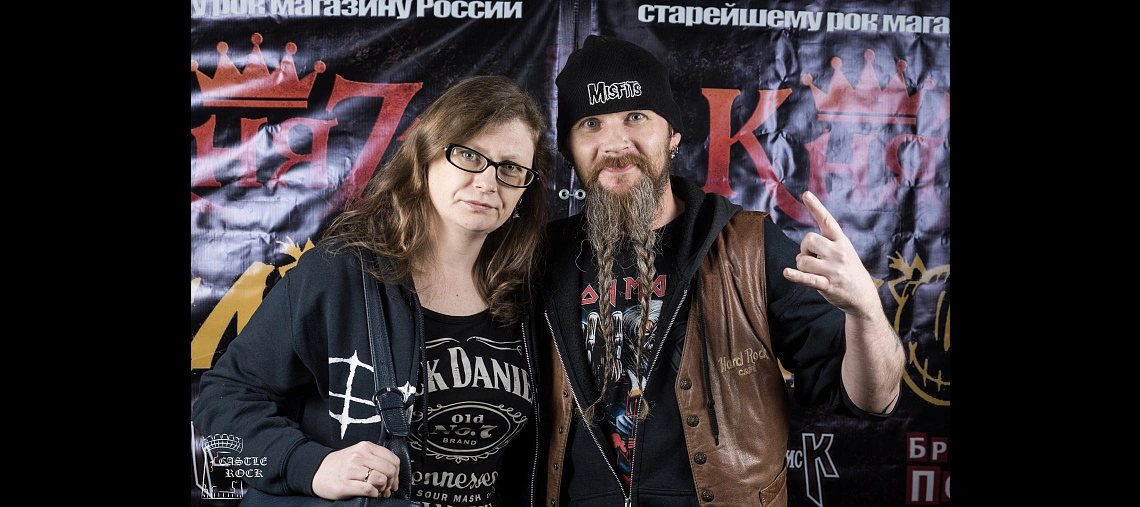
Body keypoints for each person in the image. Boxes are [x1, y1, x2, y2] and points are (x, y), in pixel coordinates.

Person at [537, 35, 906, 506]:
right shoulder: (544, 259)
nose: (615, 143)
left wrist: (866, 314)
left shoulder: (747, 246)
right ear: (569, 149)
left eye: (635, 116)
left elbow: (872, 401)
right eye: (591, 123)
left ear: (673, 135)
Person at [193, 75, 552, 507]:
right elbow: (222, 398)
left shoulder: (529, 296)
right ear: (425, 158)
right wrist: (309, 466)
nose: (488, 182)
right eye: (469, 155)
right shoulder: (340, 272)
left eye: (511, 168)